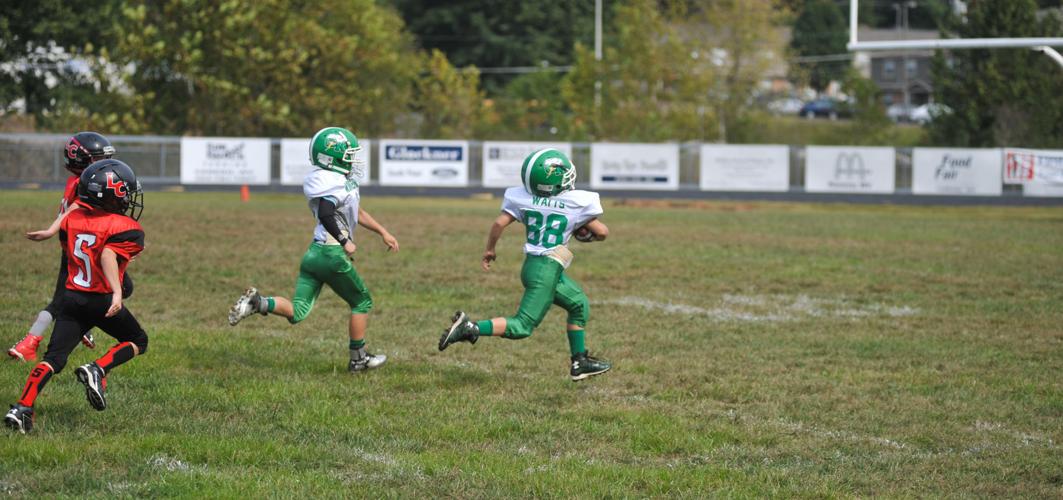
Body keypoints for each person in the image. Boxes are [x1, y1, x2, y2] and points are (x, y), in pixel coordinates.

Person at [228, 126, 398, 372]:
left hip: (314, 254)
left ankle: (257, 302)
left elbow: (357, 212)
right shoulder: (331, 182)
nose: (353, 159)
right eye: (348, 155)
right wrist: (344, 240)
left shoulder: (339, 181)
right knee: (362, 302)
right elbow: (328, 214)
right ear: (331, 158)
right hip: (331, 254)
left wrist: (383, 232)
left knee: (298, 312)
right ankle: (358, 359)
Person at [438, 148, 612, 381]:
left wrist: (490, 249)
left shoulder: (522, 197)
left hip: (533, 266)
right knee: (522, 326)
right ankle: (470, 327)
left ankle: (579, 361)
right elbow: (602, 232)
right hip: (547, 270)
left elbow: (499, 224)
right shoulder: (576, 202)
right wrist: (585, 232)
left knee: (579, 304)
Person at [5, 159, 147, 434]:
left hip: (71, 298)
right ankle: (98, 369)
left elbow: (71, 209)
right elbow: (107, 254)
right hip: (100, 299)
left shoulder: (74, 216)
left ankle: (21, 407)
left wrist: (49, 231)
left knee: (54, 358)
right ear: (110, 195)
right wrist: (117, 292)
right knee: (138, 340)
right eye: (124, 192)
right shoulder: (126, 227)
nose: (128, 198)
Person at [9, 132, 123, 362]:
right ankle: (29, 343)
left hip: (76, 244)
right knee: (64, 299)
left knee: (110, 289)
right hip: (82, 248)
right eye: (98, 158)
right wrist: (51, 230)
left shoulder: (75, 179)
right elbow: (74, 210)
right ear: (82, 160)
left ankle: (82, 325)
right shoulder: (85, 182)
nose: (103, 163)